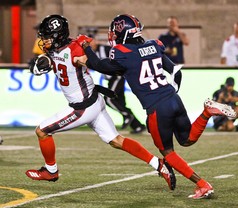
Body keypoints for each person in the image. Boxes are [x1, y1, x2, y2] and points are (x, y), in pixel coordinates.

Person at [80, 14, 237, 199]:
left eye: (115, 32)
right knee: (186, 140)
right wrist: (171, 92)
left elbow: (98, 65)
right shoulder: (153, 46)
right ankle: (206, 112)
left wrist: (85, 47)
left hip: (156, 108)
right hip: (173, 98)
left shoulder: (123, 53)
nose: (113, 35)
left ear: (122, 33)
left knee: (167, 153)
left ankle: (202, 184)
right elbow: (175, 71)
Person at [25, 14, 176, 191]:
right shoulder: (58, 48)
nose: (45, 41)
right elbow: (56, 58)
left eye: (48, 37)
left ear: (58, 36)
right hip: (95, 100)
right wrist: (46, 61)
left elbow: (88, 52)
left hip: (83, 107)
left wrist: (85, 48)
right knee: (116, 140)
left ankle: (51, 171)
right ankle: (159, 165)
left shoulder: (75, 47)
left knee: (42, 131)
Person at [88, 29, 146, 133]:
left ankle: (127, 115)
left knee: (109, 99)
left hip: (117, 76)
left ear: (96, 40)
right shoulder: (91, 53)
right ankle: (138, 126)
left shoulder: (104, 49)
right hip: (111, 78)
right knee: (121, 103)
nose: (90, 44)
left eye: (91, 41)